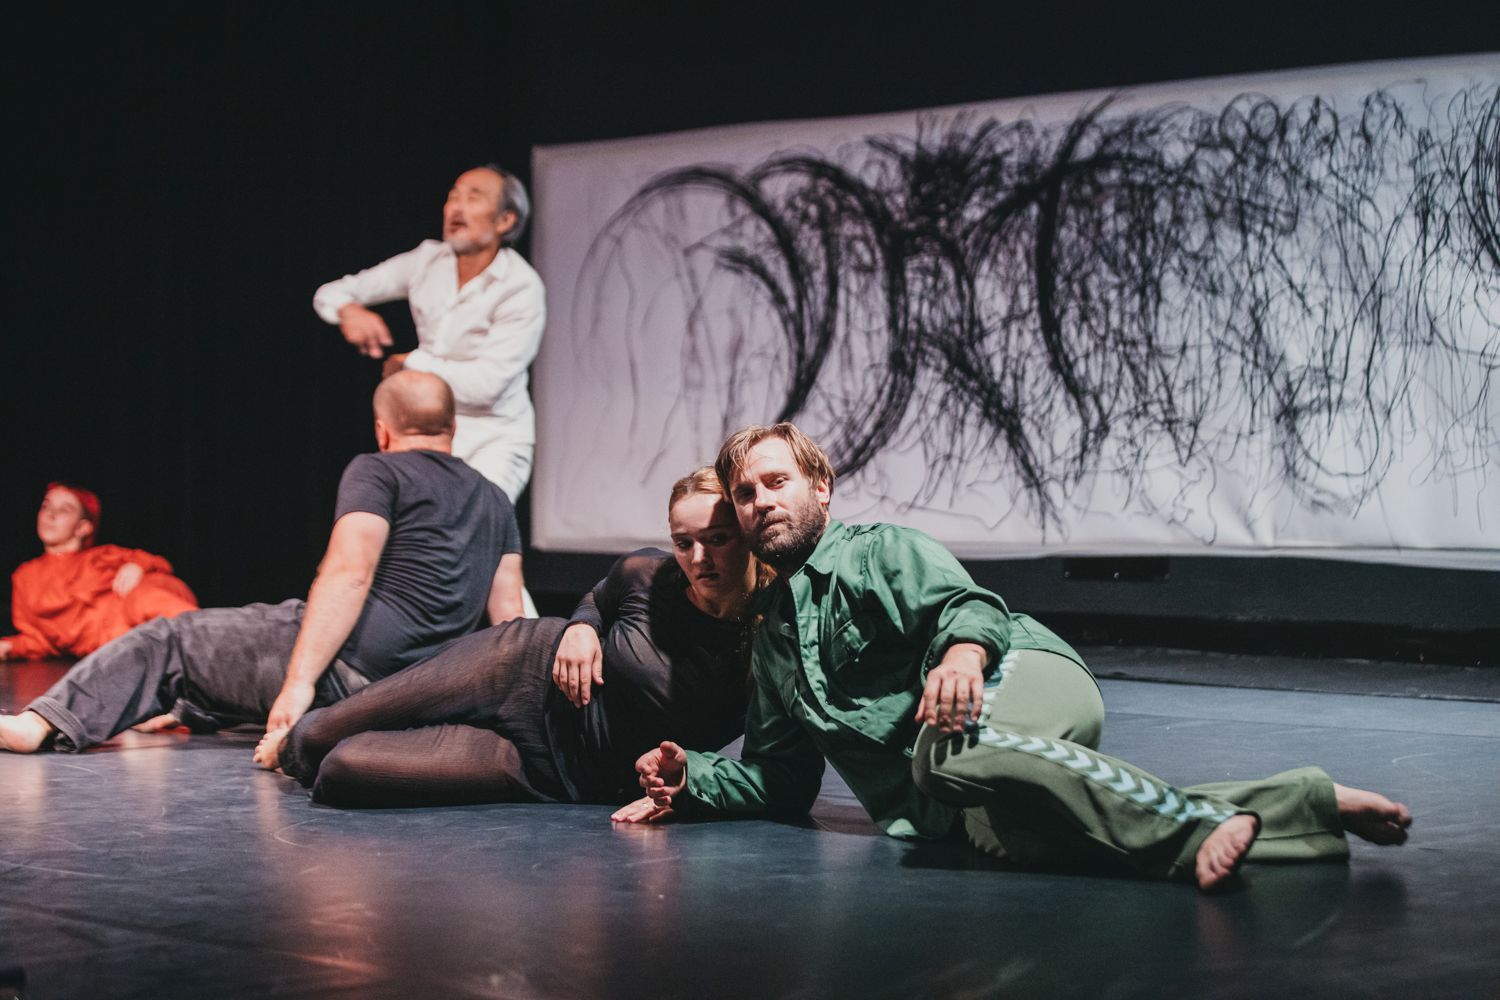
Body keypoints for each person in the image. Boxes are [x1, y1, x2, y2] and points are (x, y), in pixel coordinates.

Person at [628, 423, 1414, 890]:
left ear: (821, 488)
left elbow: (971, 608)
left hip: (1019, 675)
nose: (761, 501)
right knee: (1025, 836)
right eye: (745, 495)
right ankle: (1304, 805)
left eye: (776, 482)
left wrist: (962, 657)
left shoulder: (877, 551)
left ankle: (1193, 829)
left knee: (942, 756)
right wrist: (694, 778)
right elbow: (782, 776)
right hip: (956, 780)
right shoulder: (773, 639)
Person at [0, 371, 524, 754]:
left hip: (346, 673)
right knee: (235, 649)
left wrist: (299, 682)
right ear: (453, 428)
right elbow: (509, 621)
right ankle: (177, 706)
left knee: (169, 640)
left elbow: (349, 572)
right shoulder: (494, 497)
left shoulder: (379, 470)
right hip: (411, 693)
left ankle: (40, 724)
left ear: (382, 429)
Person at [251, 467, 758, 816]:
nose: (698, 558)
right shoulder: (647, 573)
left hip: (548, 771)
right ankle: (293, 743)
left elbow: (754, 760)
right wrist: (581, 625)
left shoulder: (762, 639)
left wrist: (683, 788)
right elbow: (599, 598)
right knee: (314, 739)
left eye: (717, 539)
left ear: (746, 534)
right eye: (684, 542)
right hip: (515, 668)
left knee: (343, 772)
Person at [313, 164, 545, 501]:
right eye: (452, 196)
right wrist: (349, 311)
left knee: (476, 524)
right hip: (427, 433)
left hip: (494, 438)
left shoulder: (520, 286)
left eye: (473, 198)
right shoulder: (426, 260)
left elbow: (486, 386)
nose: (456, 207)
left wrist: (412, 364)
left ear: (505, 220)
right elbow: (330, 293)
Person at [1, 483, 198, 660]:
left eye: (64, 510)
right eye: (46, 506)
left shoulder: (100, 557)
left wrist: (137, 566)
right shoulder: (25, 576)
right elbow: (41, 639)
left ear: (82, 527)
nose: (50, 515)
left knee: (145, 598)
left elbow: (158, 563)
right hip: (118, 649)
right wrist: (11, 647)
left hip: (145, 616)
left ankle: (204, 636)